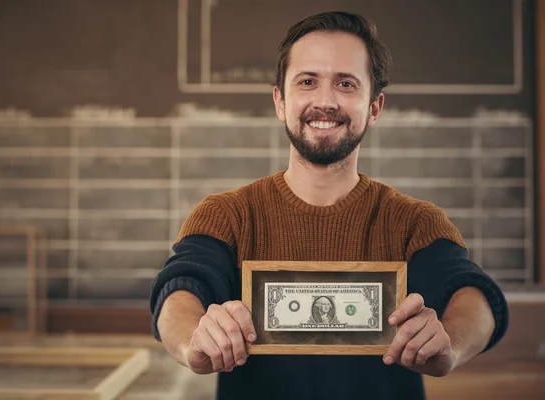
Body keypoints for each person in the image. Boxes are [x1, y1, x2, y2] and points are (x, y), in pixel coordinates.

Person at [149, 11, 508, 400]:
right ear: (280, 101)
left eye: (346, 84)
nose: (325, 100)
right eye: (307, 81)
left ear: (374, 108)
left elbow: (473, 294)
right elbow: (180, 288)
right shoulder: (226, 215)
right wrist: (193, 342)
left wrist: (449, 345)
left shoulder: (414, 222)